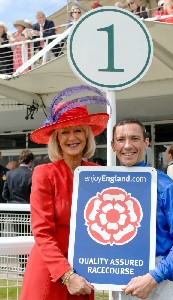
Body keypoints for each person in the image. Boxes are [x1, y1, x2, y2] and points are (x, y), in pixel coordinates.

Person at [20, 85, 110, 300]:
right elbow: (42, 232)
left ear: (87, 135)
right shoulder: (44, 173)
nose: (72, 137)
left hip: (85, 271)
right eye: (65, 132)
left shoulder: (97, 173)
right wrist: (67, 275)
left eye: (78, 130)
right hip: (51, 274)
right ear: (57, 139)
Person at [111, 118, 173, 300]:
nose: (127, 146)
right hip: (118, 281)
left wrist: (153, 277)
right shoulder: (104, 186)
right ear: (113, 145)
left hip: (158, 283)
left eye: (134, 138)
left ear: (146, 142)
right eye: (121, 140)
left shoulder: (165, 185)